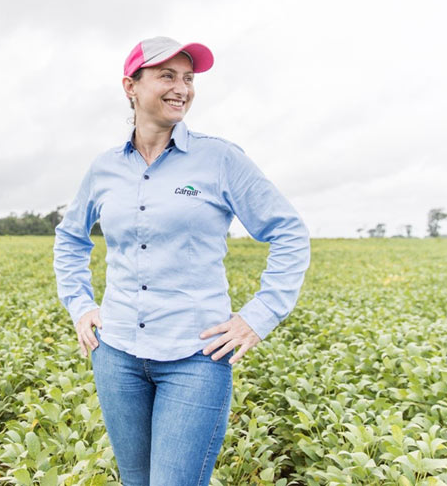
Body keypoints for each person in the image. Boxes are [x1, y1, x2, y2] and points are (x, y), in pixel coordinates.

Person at [53, 36, 310, 486]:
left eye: (188, 78)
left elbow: (289, 232)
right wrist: (79, 303)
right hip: (117, 356)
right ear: (130, 86)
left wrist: (259, 316)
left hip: (195, 356)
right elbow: (71, 237)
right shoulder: (104, 168)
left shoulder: (220, 159)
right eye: (167, 76)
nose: (182, 88)